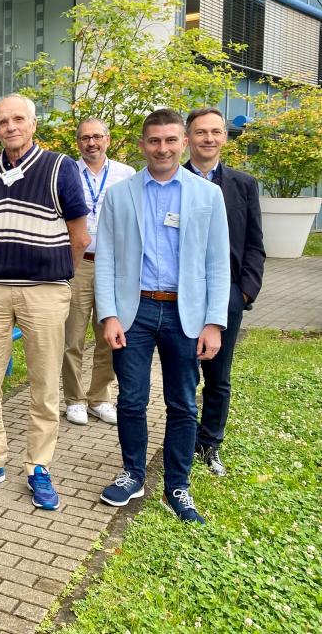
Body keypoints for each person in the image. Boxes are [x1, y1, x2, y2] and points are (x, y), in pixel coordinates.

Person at [95, 108, 230, 524]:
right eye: (154, 141)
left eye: (171, 140)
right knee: (131, 400)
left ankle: (178, 485)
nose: (163, 148)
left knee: (183, 404)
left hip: (184, 314)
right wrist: (108, 315)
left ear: (183, 143)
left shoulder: (208, 195)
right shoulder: (120, 194)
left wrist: (213, 322)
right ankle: (132, 473)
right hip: (134, 310)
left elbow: (217, 264)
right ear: (142, 145)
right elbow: (106, 260)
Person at [0, 94, 89, 511]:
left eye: (19, 119)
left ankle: (38, 466)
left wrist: (57, 277)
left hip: (45, 291)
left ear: (33, 124)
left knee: (43, 382)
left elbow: (79, 234)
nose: (11, 127)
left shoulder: (60, 167)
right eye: (3, 121)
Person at [184, 107, 264, 476]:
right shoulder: (170, 179)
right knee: (184, 372)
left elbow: (253, 244)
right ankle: (182, 436)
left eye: (216, 132)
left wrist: (244, 293)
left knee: (219, 375)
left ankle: (210, 442)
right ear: (188, 138)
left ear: (225, 138)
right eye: (201, 132)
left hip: (227, 293)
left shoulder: (243, 185)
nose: (209, 138)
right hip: (180, 295)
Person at [61, 119, 135, 426]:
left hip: (113, 265)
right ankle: (74, 399)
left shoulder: (126, 175)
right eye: (84, 138)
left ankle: (100, 397)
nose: (91, 143)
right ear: (78, 143)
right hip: (78, 262)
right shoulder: (66, 172)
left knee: (109, 335)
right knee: (72, 335)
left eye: (97, 137)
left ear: (108, 139)